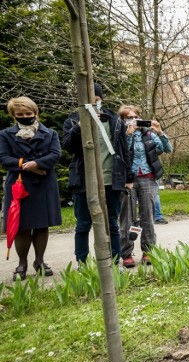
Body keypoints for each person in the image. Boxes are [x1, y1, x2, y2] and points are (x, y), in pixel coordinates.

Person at [62, 83, 133, 266]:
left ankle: (116, 263)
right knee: (83, 225)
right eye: (87, 100)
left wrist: (129, 178)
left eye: (96, 100)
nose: (92, 104)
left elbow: (124, 151)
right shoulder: (72, 120)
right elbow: (68, 146)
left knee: (112, 224)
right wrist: (80, 125)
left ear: (101, 99)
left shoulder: (115, 121)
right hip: (84, 181)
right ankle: (82, 265)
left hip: (111, 180)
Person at [0, 97, 62, 280]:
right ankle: (22, 264)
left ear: (36, 113)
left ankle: (40, 261)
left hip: (44, 183)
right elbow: (3, 157)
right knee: (21, 226)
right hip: (19, 184)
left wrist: (39, 164)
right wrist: (26, 164)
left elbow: (55, 154)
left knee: (42, 225)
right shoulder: (5, 134)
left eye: (28, 113)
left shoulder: (50, 133)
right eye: (20, 114)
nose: (25, 117)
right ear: (13, 116)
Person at [118, 105, 172, 268]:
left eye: (135, 117)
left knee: (147, 216)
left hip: (148, 179)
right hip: (128, 180)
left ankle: (148, 250)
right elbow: (119, 153)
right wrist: (128, 134)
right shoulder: (120, 135)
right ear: (123, 120)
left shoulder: (147, 133)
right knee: (128, 217)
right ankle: (126, 253)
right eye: (129, 118)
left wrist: (160, 132)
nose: (133, 120)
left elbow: (167, 149)